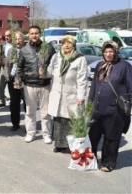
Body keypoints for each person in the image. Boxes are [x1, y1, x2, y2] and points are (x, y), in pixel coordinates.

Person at [88, 41, 132, 172]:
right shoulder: (100, 65)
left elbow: (131, 87)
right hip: (97, 108)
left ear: (116, 52)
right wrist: (89, 103)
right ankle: (92, 159)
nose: (108, 54)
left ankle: (108, 163)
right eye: (106, 52)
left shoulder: (124, 66)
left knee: (111, 137)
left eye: (111, 51)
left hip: (115, 110)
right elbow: (94, 87)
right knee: (93, 136)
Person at [47, 35, 88, 152]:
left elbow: (82, 79)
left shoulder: (80, 59)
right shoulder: (56, 57)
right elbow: (50, 72)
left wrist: (81, 96)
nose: (66, 45)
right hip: (57, 93)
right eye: (64, 43)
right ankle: (59, 144)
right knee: (59, 120)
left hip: (71, 94)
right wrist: (44, 67)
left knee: (71, 119)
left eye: (69, 43)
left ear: (73, 45)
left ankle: (72, 145)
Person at [16, 25, 55, 143]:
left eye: (36, 33)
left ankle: (46, 134)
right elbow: (20, 67)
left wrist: (47, 73)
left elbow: (54, 65)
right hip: (30, 85)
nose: (34, 35)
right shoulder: (24, 50)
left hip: (45, 85)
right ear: (29, 35)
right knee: (30, 112)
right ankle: (30, 133)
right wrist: (18, 80)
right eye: (32, 33)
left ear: (40, 34)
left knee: (46, 112)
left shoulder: (48, 48)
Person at [4, 31, 26, 131]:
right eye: (16, 39)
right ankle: (15, 124)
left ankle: (29, 126)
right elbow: (6, 65)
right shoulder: (11, 51)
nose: (17, 41)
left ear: (23, 39)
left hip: (24, 80)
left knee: (27, 103)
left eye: (19, 39)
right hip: (12, 80)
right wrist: (7, 75)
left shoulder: (26, 50)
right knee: (14, 103)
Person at [0, 29, 13, 107]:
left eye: (8, 36)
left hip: (13, 67)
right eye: (5, 36)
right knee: (1, 85)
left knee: (12, 86)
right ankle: (2, 101)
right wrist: (0, 59)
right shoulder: (2, 45)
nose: (7, 37)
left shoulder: (15, 45)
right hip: (3, 67)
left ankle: (14, 101)